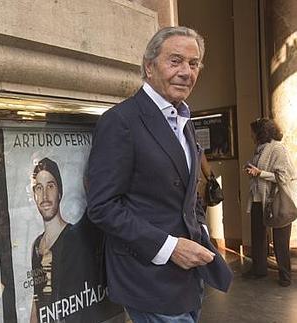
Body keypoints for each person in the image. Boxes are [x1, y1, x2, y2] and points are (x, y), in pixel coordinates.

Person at [87, 26, 232, 322]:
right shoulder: (120, 121)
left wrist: (200, 231)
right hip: (148, 279)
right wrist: (170, 247)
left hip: (190, 278)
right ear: (149, 66)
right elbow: (102, 206)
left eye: (194, 64)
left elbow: (188, 193)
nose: (186, 72)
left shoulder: (185, 119)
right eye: (175, 60)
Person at [29, 158, 123, 323]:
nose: (44, 196)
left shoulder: (73, 237)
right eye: (39, 188)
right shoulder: (37, 244)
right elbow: (37, 300)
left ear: (60, 192)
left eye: (50, 186)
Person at [243, 118, 293, 287]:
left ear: (261, 132)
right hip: (258, 199)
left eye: (253, 131)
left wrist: (260, 173)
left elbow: (284, 177)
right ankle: (259, 269)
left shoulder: (278, 148)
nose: (251, 135)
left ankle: (285, 275)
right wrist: (252, 170)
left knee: (280, 240)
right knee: (257, 236)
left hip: (276, 200)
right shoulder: (259, 149)